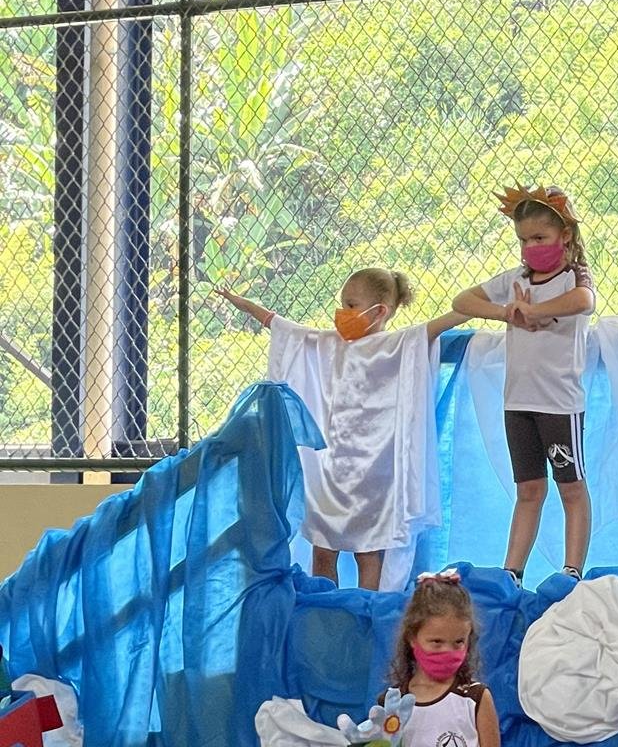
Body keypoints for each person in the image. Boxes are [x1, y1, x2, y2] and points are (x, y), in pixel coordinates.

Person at [216, 268, 467, 590]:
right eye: (342, 304)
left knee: (368, 551)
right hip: (330, 471)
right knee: (323, 548)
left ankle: (366, 609)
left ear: (380, 311)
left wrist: (492, 301)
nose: (341, 313)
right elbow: (281, 327)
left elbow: (441, 324)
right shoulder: (329, 343)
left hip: (373, 474)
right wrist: (243, 304)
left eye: (351, 305)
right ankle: (327, 608)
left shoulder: (395, 345)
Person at [452, 185, 596, 587]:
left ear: (564, 235)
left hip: (559, 403)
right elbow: (462, 301)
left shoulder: (573, 277)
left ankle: (572, 570)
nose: (530, 247)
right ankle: (512, 572)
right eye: (523, 240)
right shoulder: (516, 278)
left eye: (539, 238)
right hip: (518, 402)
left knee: (570, 487)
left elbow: (583, 301)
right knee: (529, 489)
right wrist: (506, 313)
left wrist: (534, 311)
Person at [386, 569, 500, 747]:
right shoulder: (393, 702)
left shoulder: (476, 698)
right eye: (437, 642)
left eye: (458, 642)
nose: (448, 651)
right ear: (412, 638)